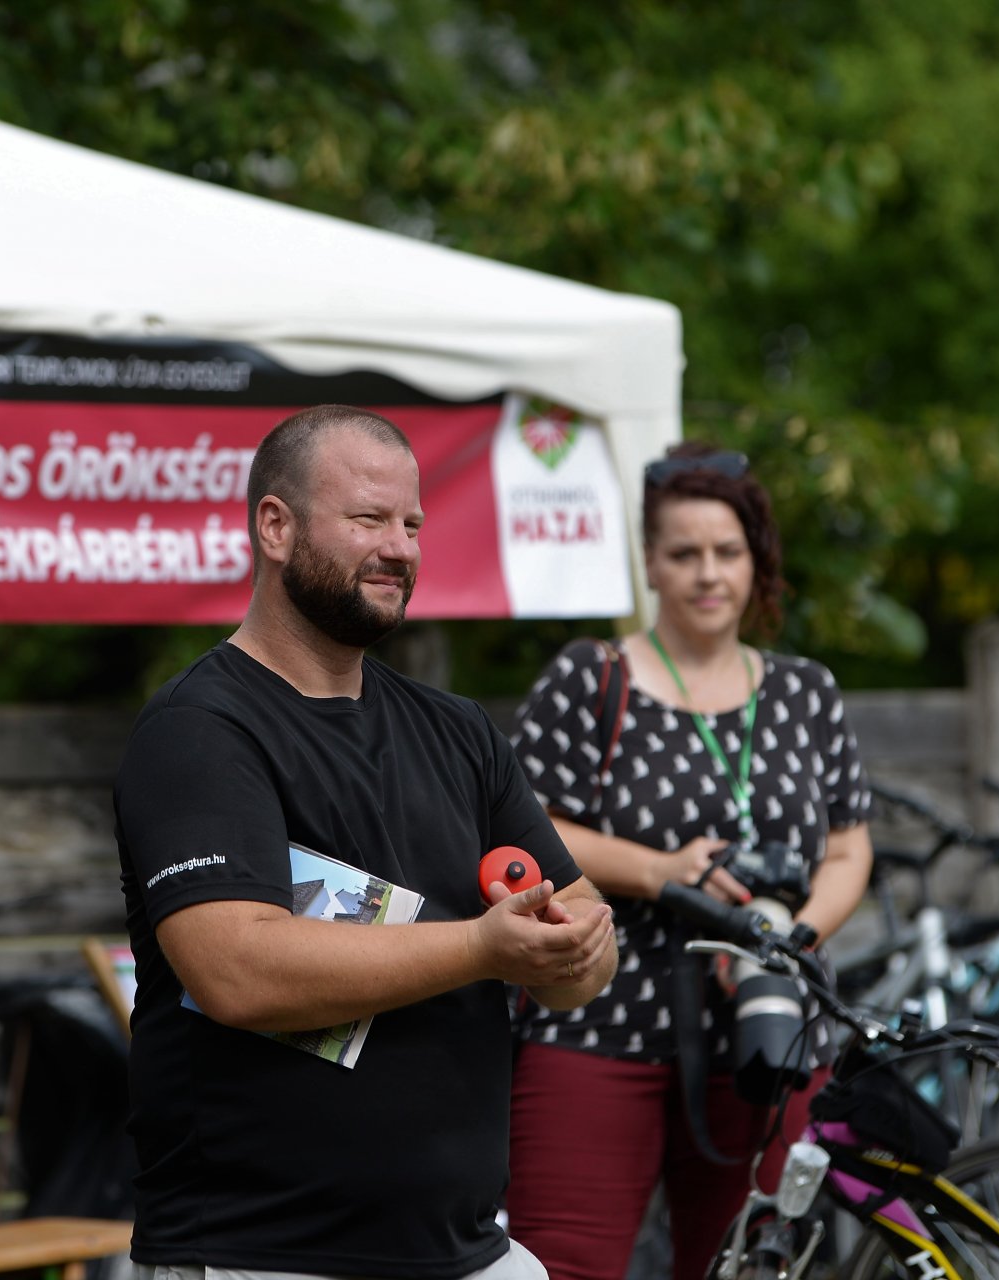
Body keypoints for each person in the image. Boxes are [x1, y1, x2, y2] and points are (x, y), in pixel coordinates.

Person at [113, 404, 618, 1280]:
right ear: (276, 526)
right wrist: (484, 947)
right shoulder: (199, 732)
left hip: (468, 1252)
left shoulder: (459, 731)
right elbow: (236, 970)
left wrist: (574, 947)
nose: (401, 547)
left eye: (413, 523)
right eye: (368, 519)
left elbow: (583, 949)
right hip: (261, 1254)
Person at [504, 442, 876, 1280]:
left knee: (747, 1266)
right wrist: (664, 871)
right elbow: (529, 831)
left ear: (757, 561)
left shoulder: (804, 690)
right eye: (684, 554)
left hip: (765, 1027)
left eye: (727, 552)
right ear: (650, 564)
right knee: (561, 1264)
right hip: (598, 1015)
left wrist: (787, 939)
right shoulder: (590, 679)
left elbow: (850, 847)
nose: (709, 574)